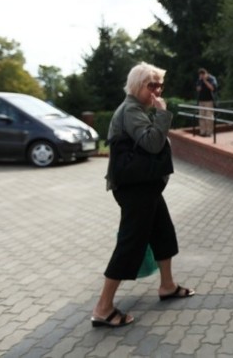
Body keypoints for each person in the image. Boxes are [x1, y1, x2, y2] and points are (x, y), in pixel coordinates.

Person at [92, 62, 195, 328]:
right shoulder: (131, 110)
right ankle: (103, 308)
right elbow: (152, 142)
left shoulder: (136, 109)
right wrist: (163, 114)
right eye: (152, 85)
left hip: (144, 186)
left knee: (162, 231)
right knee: (131, 243)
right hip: (136, 189)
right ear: (138, 85)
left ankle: (167, 285)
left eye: (160, 85)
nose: (158, 91)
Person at [196, 68, 217, 137]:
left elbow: (212, 88)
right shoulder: (200, 79)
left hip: (209, 101)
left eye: (203, 75)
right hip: (201, 101)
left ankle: (209, 132)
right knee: (201, 117)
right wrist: (200, 82)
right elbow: (198, 89)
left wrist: (205, 81)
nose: (201, 76)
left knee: (209, 117)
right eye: (200, 75)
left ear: (206, 74)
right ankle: (202, 132)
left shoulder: (212, 79)